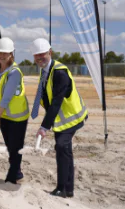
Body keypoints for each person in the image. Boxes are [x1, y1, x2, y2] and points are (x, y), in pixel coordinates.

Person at [30, 38, 87, 198]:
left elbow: (56, 102)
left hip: (71, 118)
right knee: (64, 150)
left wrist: (44, 127)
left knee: (62, 147)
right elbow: (44, 95)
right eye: (36, 56)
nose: (39, 58)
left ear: (50, 52)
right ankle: (68, 189)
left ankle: (62, 189)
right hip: (61, 120)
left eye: (42, 54)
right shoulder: (45, 71)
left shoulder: (59, 72)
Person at [0, 37, 29, 184]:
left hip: (17, 117)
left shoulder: (14, 72)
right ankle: (17, 172)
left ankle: (11, 178)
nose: (1, 55)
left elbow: (6, 97)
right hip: (5, 115)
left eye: (5, 53)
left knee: (15, 148)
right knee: (10, 147)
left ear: (11, 54)